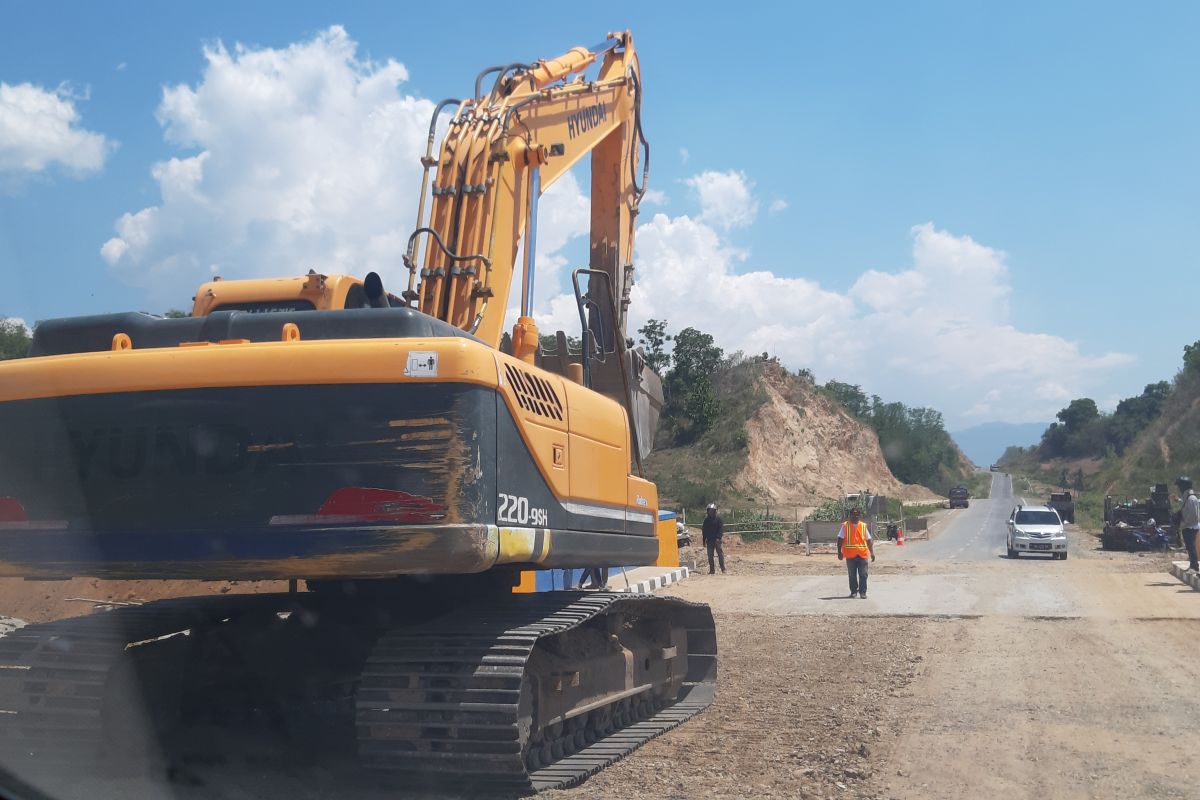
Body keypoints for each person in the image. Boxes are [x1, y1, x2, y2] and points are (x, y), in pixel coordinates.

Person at [837, 507, 875, 598]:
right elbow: (840, 539)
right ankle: (854, 591)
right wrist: (839, 552)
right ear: (850, 515)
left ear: (859, 515)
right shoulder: (845, 526)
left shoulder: (863, 526)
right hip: (850, 556)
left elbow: (868, 540)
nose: (855, 516)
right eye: (853, 514)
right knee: (852, 575)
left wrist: (872, 553)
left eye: (857, 514)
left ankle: (863, 592)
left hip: (862, 554)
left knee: (863, 574)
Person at [1176, 477, 1200, 573]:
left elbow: (1194, 516)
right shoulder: (1187, 498)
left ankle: (1194, 567)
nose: (1179, 489)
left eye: (1180, 486)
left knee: (1191, 547)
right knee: (1190, 548)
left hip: (1190, 527)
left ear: (1184, 487)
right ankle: (1192, 565)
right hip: (1188, 526)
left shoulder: (1191, 498)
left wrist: (1184, 522)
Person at [702, 503, 725, 574]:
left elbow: (720, 529)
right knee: (710, 555)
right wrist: (704, 540)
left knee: (720, 554)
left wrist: (718, 537)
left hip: (717, 540)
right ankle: (712, 570)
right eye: (710, 510)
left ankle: (723, 569)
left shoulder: (718, 519)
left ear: (715, 511)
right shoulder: (706, 520)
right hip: (709, 540)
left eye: (712, 510)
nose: (711, 512)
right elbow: (704, 530)